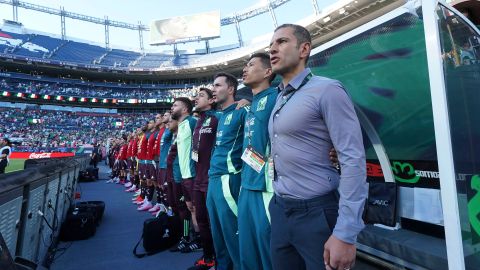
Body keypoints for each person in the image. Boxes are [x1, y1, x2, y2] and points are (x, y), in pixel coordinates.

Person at [267, 24, 367, 270]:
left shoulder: (327, 89)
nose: (272, 50)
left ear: (304, 49)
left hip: (317, 213)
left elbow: (352, 158)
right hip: (281, 210)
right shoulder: (280, 96)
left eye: (281, 42)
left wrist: (345, 232)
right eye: (270, 45)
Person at [237, 52, 277, 270]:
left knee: (267, 247)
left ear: (268, 72)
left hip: (266, 186)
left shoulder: (276, 97)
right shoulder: (251, 103)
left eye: (251, 65)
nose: (245, 69)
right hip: (247, 183)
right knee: (247, 246)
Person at [207, 72, 248, 270]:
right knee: (218, 236)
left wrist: (249, 100)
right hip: (213, 180)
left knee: (233, 235)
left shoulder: (243, 110)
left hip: (228, 180)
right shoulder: (220, 116)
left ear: (231, 89)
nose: (213, 89)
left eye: (217, 85)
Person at [189, 87, 219, 269]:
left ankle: (219, 258)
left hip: (211, 179)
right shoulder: (197, 122)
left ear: (211, 101)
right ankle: (208, 257)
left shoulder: (217, 118)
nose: (196, 99)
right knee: (200, 220)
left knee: (213, 222)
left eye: (201, 96)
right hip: (197, 179)